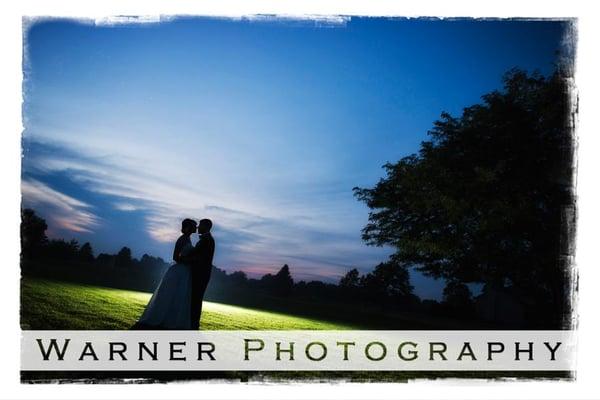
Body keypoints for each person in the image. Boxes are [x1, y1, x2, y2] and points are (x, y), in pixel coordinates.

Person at [131, 218, 197, 330]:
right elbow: (175, 257)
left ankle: (171, 319)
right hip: (178, 271)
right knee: (168, 295)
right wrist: (189, 261)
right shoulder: (181, 239)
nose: (196, 227)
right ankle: (159, 318)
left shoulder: (188, 239)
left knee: (179, 296)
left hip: (184, 271)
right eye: (194, 226)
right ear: (188, 227)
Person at [181, 218, 215, 330]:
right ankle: (191, 322)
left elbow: (202, 258)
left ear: (205, 226)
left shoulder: (207, 240)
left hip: (201, 274)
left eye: (200, 225)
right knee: (194, 298)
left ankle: (194, 324)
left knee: (196, 298)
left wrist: (186, 259)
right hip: (199, 273)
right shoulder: (205, 239)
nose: (197, 227)